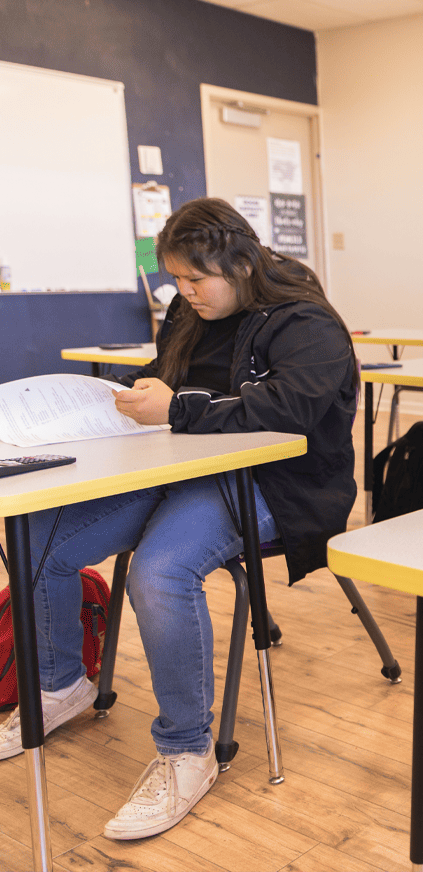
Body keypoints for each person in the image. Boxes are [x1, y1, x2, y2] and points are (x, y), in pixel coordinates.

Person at [0, 198, 358, 839]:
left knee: (160, 572)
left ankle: (186, 751)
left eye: (198, 280)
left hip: (274, 481)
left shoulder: (305, 320)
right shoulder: (188, 313)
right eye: (177, 281)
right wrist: (132, 394)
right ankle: (60, 685)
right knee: (35, 535)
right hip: (177, 465)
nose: (185, 293)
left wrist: (177, 408)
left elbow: (291, 409)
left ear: (243, 264)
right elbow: (171, 380)